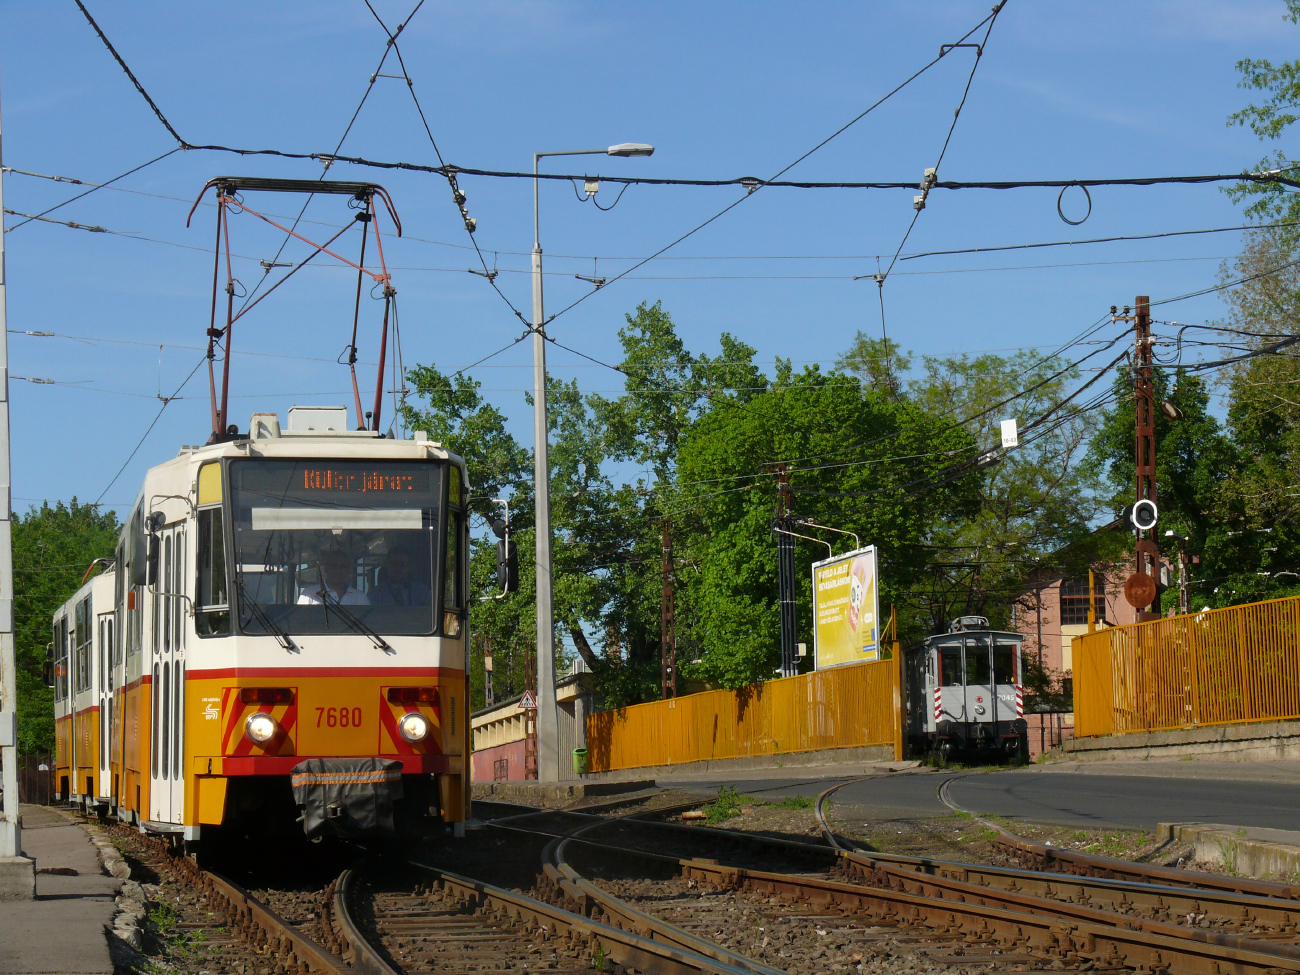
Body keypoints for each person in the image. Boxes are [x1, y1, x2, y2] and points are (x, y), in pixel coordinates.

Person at [298, 549, 370, 605]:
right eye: (334, 566)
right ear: (326, 568)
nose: (338, 570)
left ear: (348, 570)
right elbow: (299, 619)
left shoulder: (360, 597)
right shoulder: (309, 594)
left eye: (342, 566)